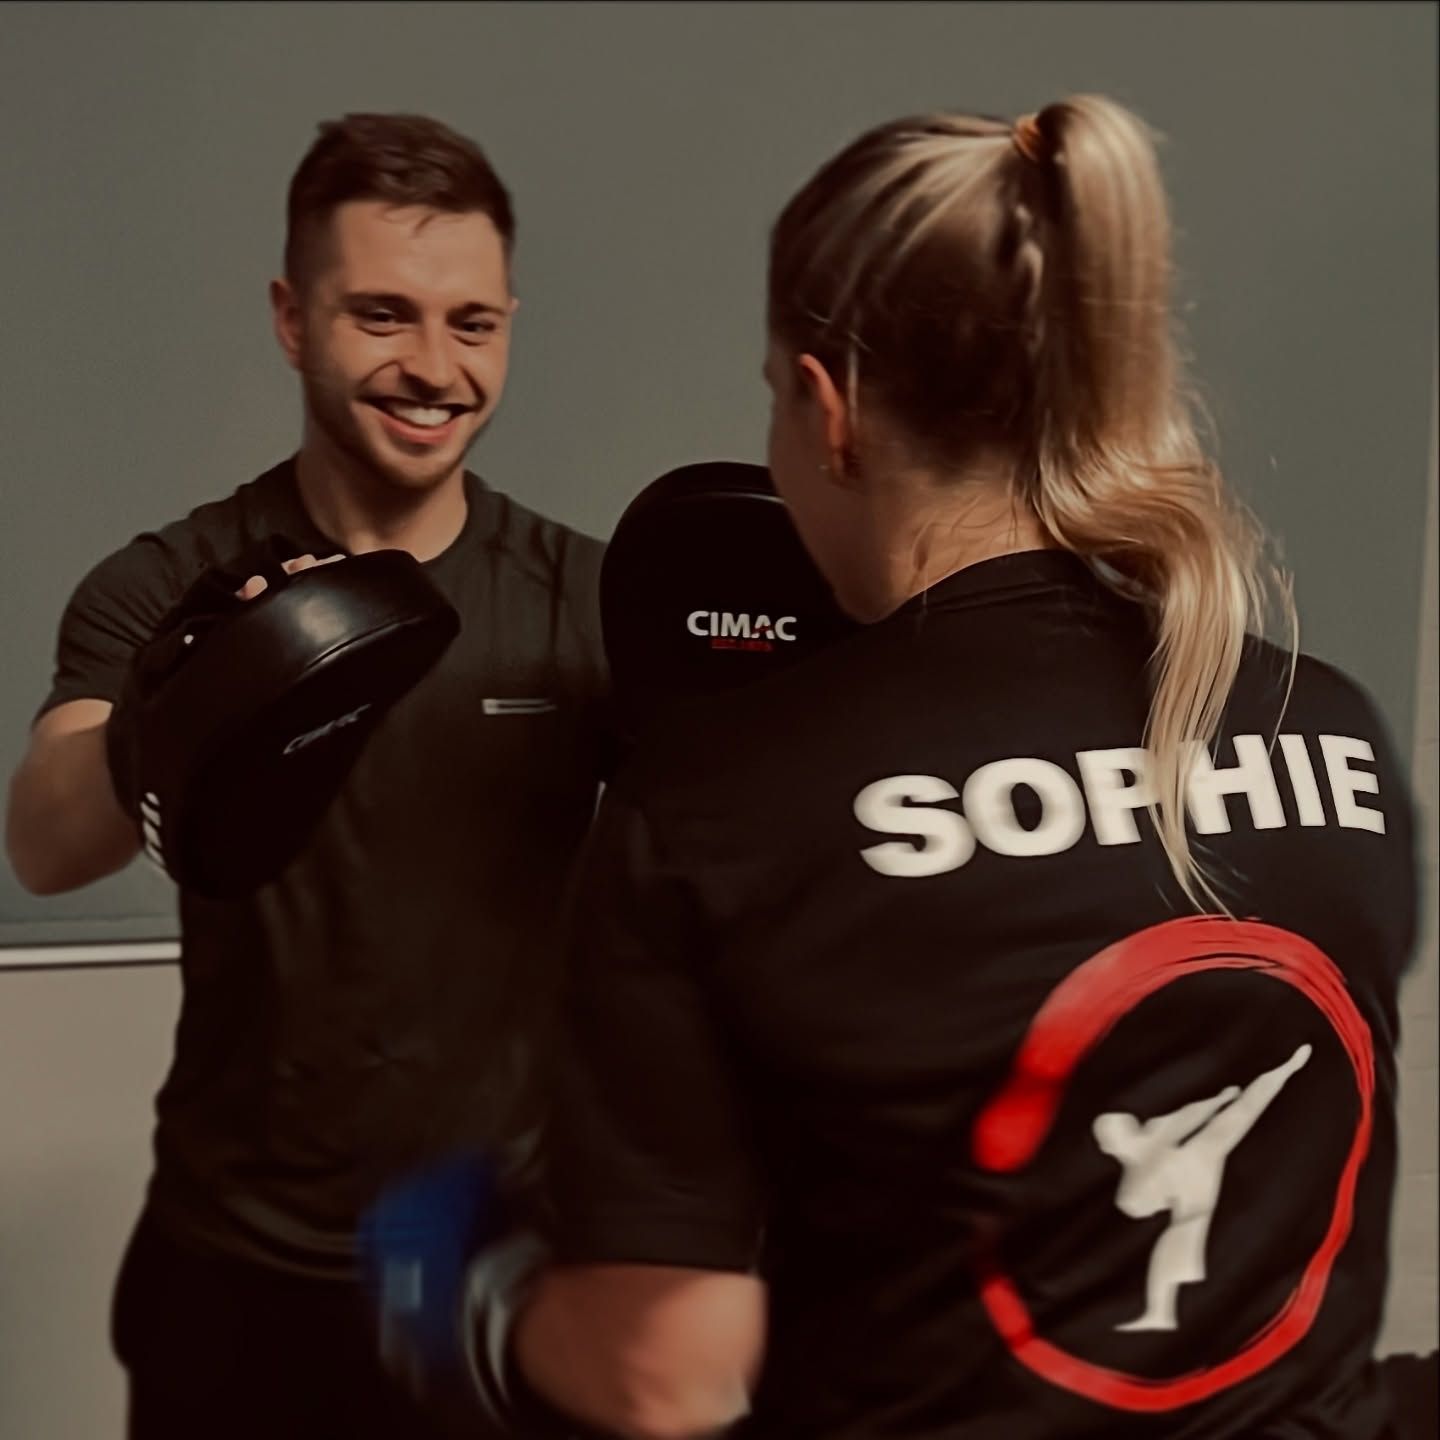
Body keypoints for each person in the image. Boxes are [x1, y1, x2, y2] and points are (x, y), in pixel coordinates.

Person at [483, 97, 1420, 1439]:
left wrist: (479, 1289)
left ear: (829, 408)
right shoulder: (1332, 733)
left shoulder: (717, 801)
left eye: (775, 399)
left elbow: (667, 1377)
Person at [4, 112, 610, 1438]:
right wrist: (187, 697)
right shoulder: (167, 584)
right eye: (382, 316)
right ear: (293, 317)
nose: (434, 367)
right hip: (235, 1262)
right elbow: (49, 847)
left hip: (493, 1264)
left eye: (474, 322)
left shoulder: (582, 600)